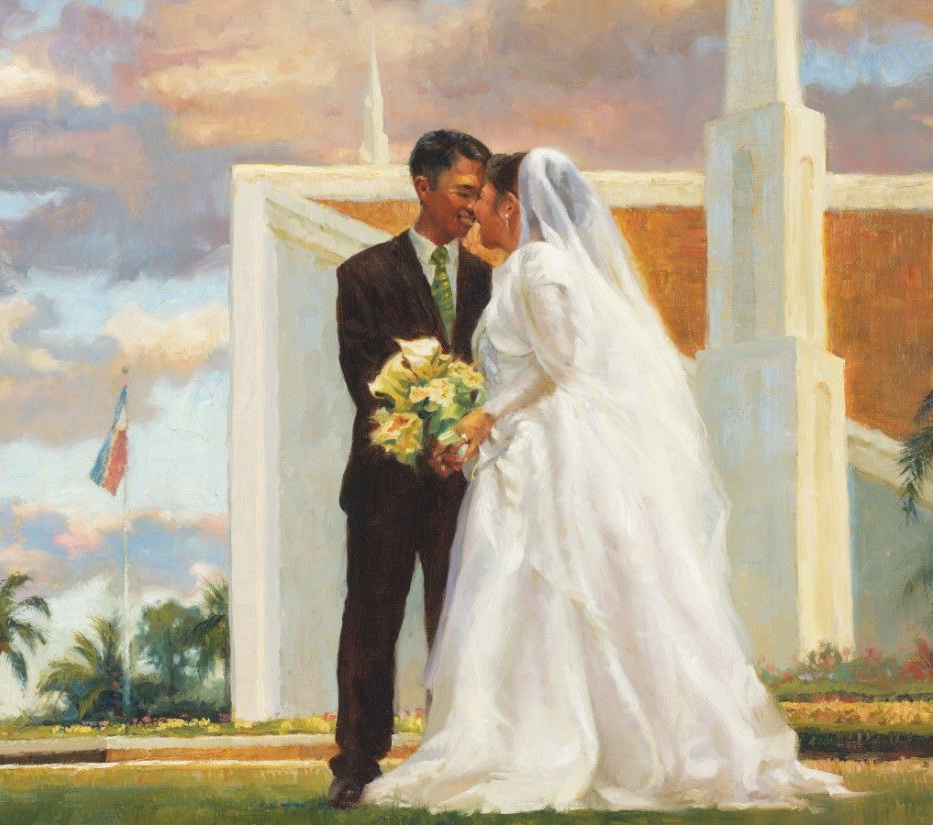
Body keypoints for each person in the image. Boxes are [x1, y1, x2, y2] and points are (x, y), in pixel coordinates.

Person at [362, 148, 849, 814]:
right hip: (521, 448)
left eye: (486, 200)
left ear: (514, 205)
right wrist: (472, 426)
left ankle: (560, 741)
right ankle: (527, 733)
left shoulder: (539, 265)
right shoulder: (529, 269)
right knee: (518, 594)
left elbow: (564, 366)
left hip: (551, 455)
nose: (474, 212)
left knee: (545, 587)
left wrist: (485, 415)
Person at [328, 129, 493, 810]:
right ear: (422, 187)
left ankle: (453, 752)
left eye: (481, 194)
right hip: (385, 485)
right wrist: (427, 431)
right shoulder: (363, 275)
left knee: (457, 620)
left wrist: (462, 440)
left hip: (464, 487)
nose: (475, 207)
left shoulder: (489, 281)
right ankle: (357, 761)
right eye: (464, 191)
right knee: (371, 619)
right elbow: (365, 375)